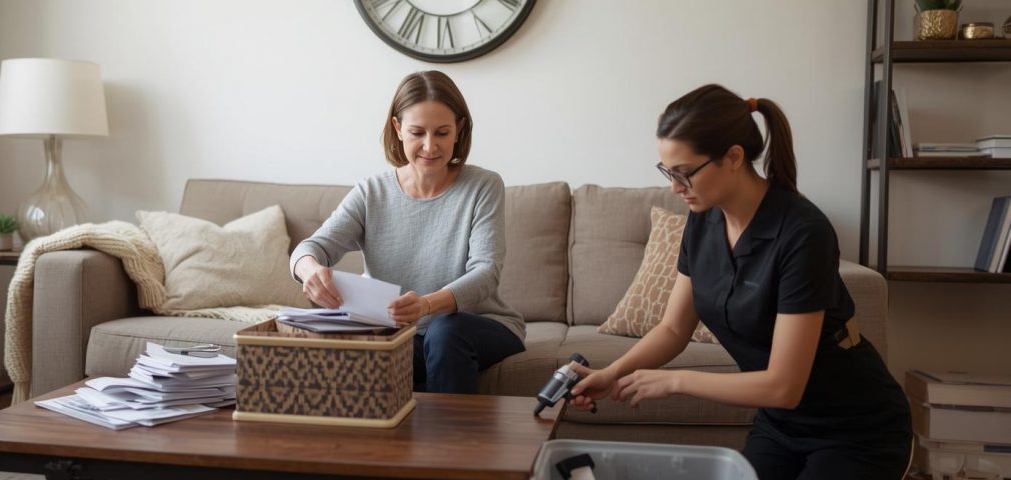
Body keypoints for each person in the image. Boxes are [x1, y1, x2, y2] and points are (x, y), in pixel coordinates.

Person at [569, 84, 912, 479]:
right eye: (668, 172)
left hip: (857, 428)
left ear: (733, 157)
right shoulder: (702, 220)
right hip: (781, 424)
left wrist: (675, 381)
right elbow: (673, 328)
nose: (674, 187)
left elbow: (785, 385)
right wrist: (612, 373)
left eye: (685, 173)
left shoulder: (803, 233)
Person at [290, 71, 525, 394]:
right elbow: (312, 247)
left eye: (442, 132)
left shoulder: (483, 186)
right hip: (406, 334)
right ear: (398, 129)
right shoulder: (372, 192)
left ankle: (450, 445)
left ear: (459, 130)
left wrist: (427, 305)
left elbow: (486, 273)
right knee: (360, 348)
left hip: (481, 325)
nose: (430, 146)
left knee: (444, 332)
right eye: (417, 132)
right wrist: (309, 270)